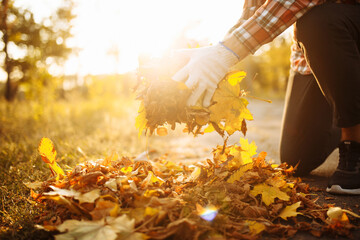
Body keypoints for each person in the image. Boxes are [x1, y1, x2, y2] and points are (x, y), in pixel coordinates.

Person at [171, 0, 360, 195]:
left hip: (343, 28)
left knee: (318, 22)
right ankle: (350, 108)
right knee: (297, 159)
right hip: (317, 60)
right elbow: (250, 18)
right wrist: (215, 55)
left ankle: (354, 143)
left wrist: (224, 54)